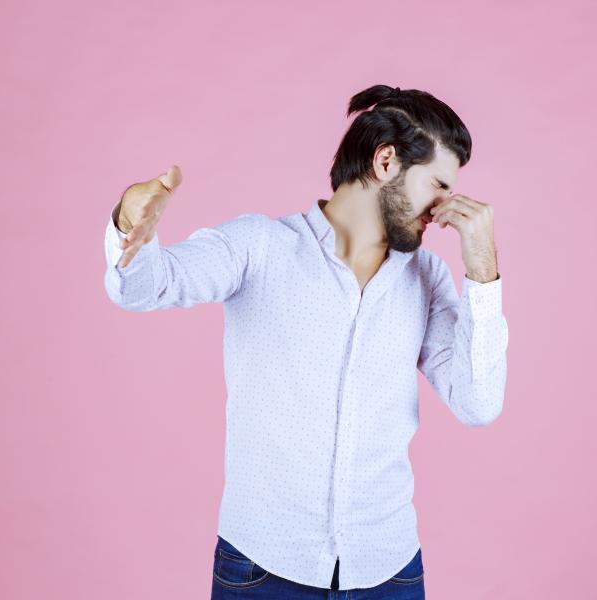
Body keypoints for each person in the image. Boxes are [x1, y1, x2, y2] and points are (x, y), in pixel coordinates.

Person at [102, 84, 509, 598]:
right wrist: (126, 223)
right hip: (263, 568)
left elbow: (478, 402)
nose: (443, 207)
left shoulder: (427, 277)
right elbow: (145, 285)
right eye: (437, 184)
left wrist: (483, 268)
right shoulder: (259, 246)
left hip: (388, 570)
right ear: (386, 162)